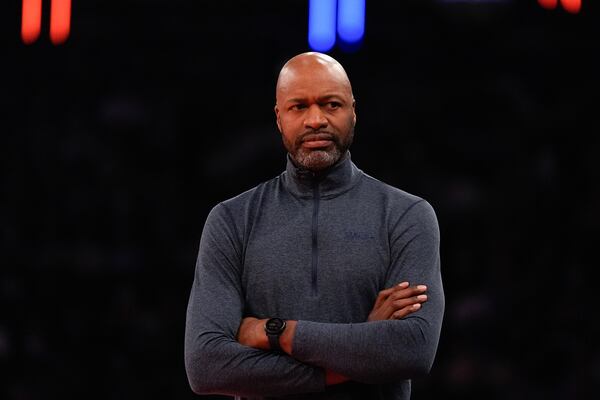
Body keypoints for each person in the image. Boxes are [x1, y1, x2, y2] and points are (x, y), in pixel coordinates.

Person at [184, 51, 444, 400]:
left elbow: (412, 349)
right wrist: (359, 352)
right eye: (299, 107)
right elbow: (206, 366)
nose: (316, 120)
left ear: (353, 111)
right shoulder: (231, 220)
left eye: (331, 104)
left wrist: (273, 332)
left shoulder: (407, 215)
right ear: (279, 118)